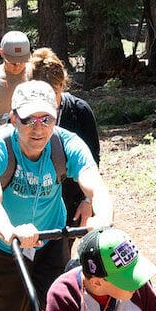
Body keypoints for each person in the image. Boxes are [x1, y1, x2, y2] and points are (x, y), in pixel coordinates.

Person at [0, 81, 114, 311]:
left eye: (46, 118)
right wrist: (11, 231)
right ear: (14, 118)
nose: (38, 128)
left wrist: (103, 220)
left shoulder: (67, 144)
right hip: (3, 247)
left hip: (52, 240)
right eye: (29, 120)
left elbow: (95, 186)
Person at [29, 47, 99, 223]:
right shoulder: (21, 115)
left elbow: (92, 160)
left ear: (62, 84)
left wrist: (88, 200)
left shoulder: (79, 111)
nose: (47, 99)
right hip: (31, 202)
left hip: (71, 200)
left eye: (53, 91)